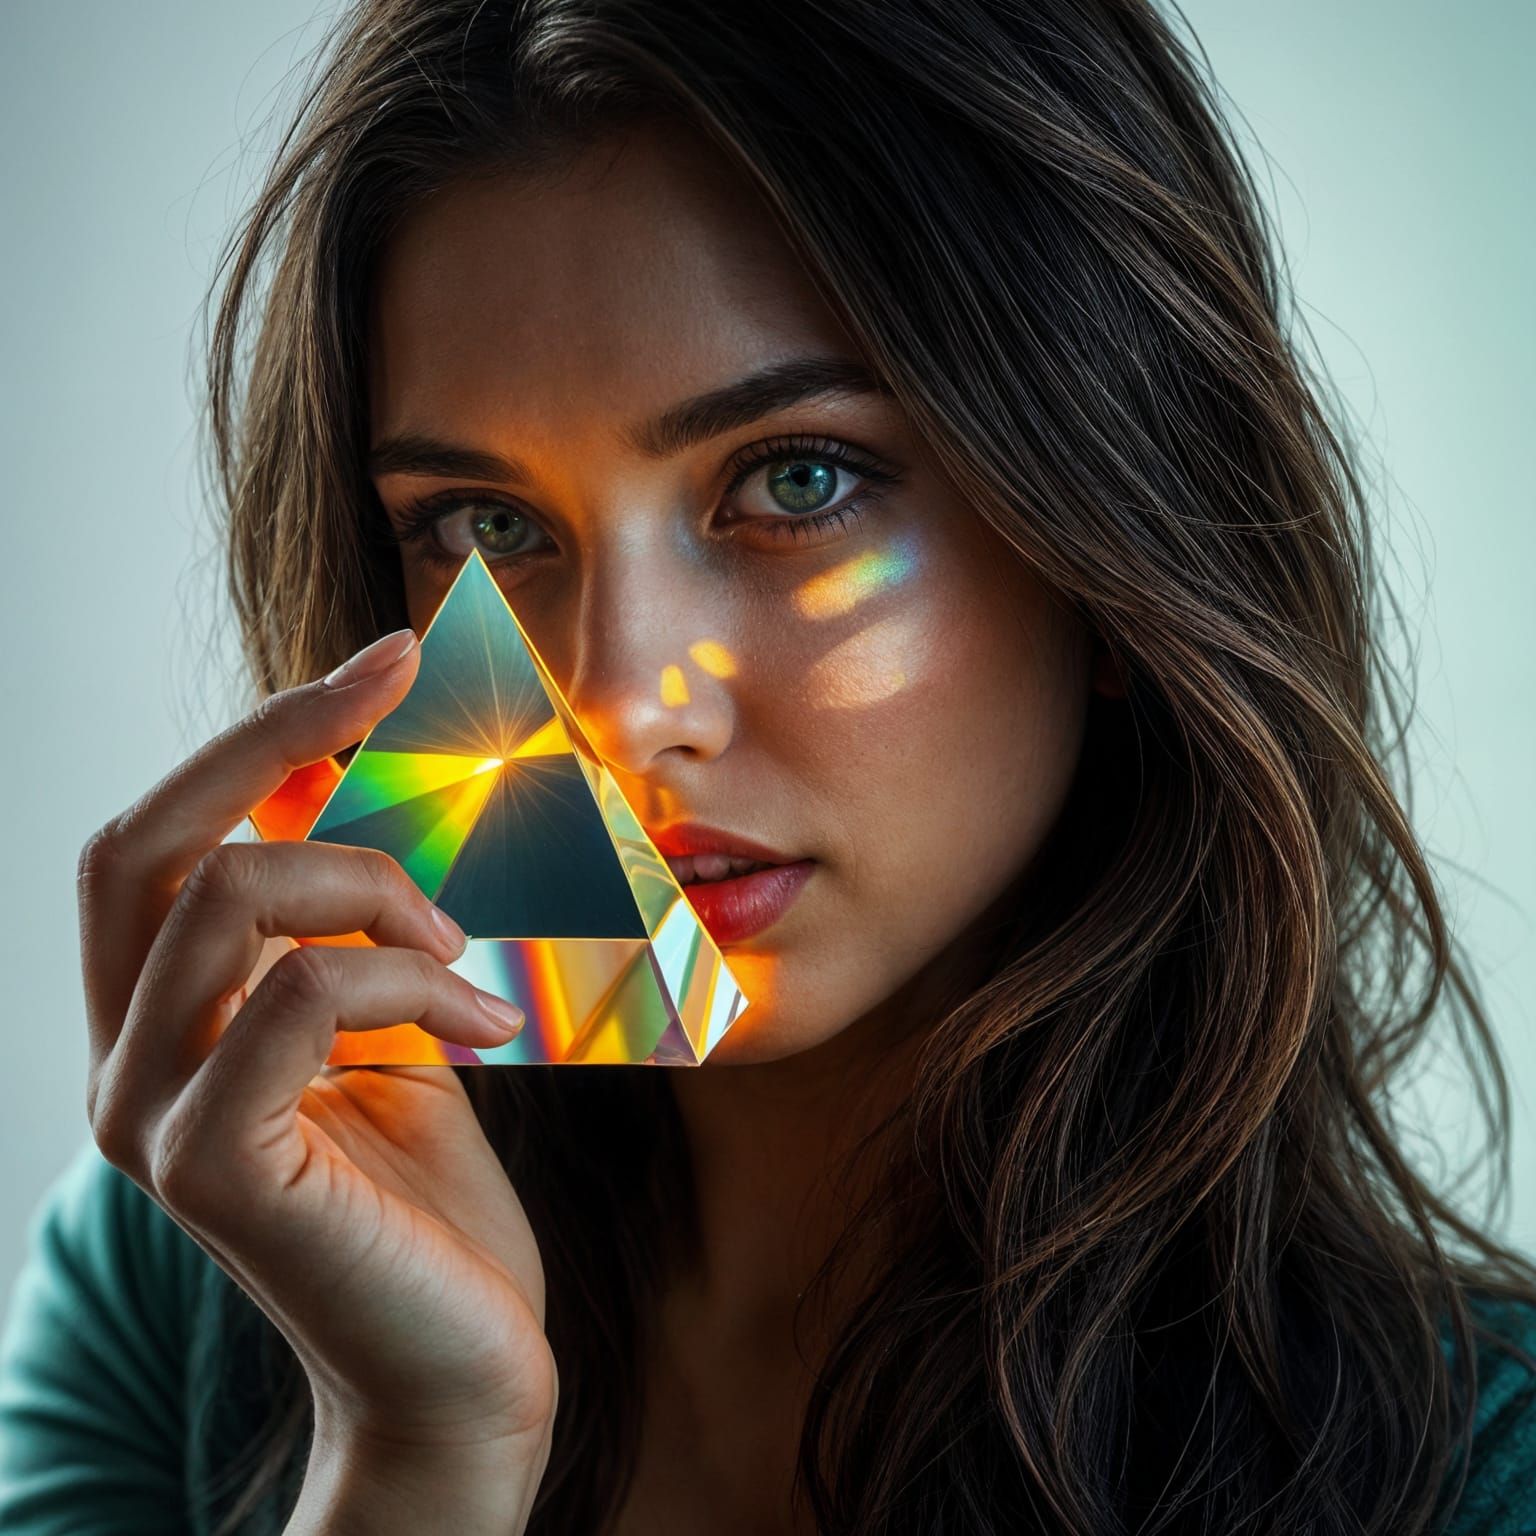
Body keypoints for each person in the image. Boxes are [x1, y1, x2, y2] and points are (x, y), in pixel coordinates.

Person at [3, 0, 1534, 1531]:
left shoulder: (1482, 1474)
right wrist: (413, 1450)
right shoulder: (200, 1266)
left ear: (1118, 534)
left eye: (797, 481)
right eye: (486, 525)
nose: (611, 707)